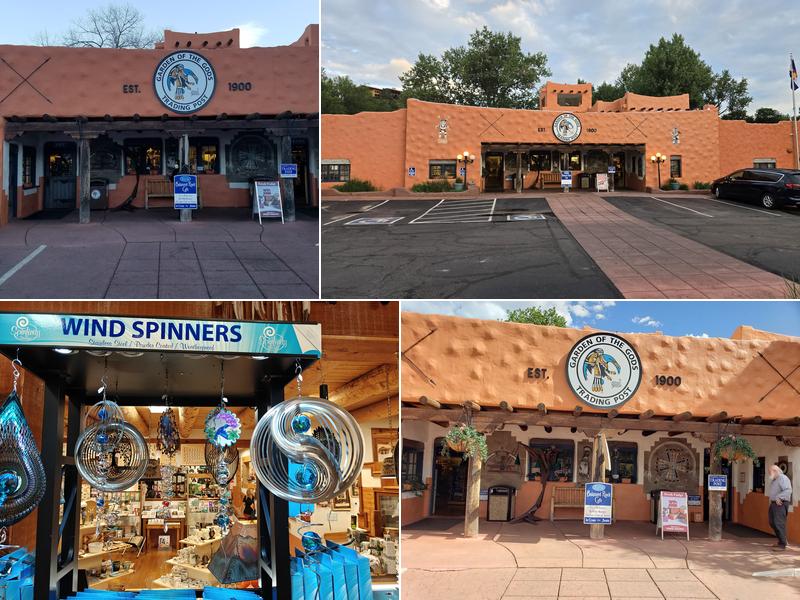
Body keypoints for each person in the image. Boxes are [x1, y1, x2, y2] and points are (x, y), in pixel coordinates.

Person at [767, 464, 792, 551]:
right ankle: (781, 540)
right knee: (772, 522)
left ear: (775, 471)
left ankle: (782, 544)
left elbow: (788, 490)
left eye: (769, 472)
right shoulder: (774, 480)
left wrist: (779, 497)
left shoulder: (782, 478)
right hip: (774, 504)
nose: (768, 473)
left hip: (780, 503)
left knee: (778, 523)